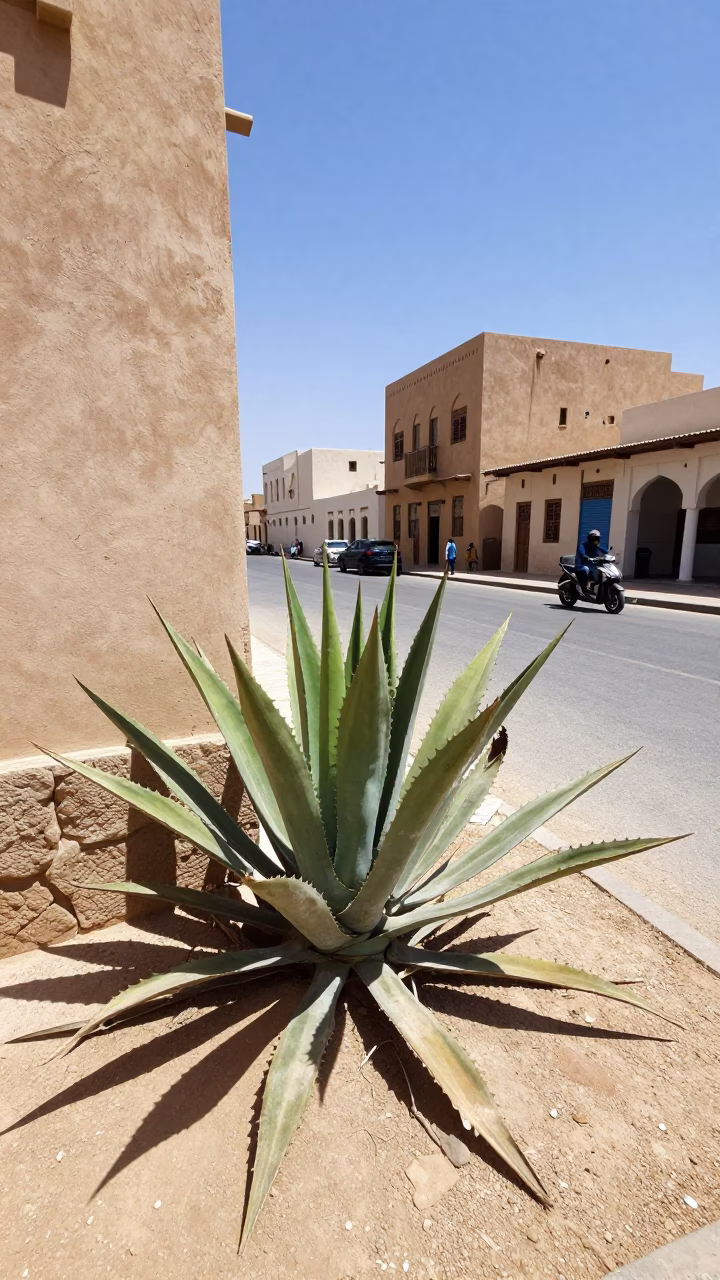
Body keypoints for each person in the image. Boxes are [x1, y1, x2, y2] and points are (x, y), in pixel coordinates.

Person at [575, 528, 608, 593]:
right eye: (593, 539)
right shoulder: (583, 546)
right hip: (581, 564)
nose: (595, 540)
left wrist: (607, 552)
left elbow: (605, 551)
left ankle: (596, 588)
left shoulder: (596, 547)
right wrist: (586, 557)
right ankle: (585, 589)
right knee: (586, 569)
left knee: (600, 571)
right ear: (589, 539)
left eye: (596, 539)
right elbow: (582, 553)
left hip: (592, 565)